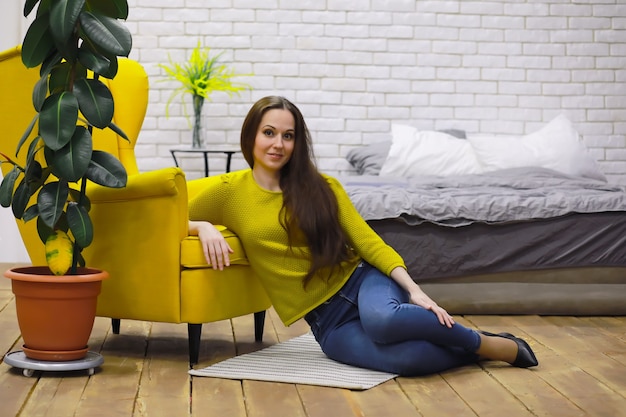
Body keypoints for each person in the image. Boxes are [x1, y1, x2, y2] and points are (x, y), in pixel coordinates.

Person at [188, 96, 538, 376]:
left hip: (362, 282)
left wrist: (415, 291)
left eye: (288, 135)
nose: (278, 143)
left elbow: (368, 242)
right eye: (269, 132)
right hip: (327, 324)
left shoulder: (322, 188)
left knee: (383, 320)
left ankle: (486, 344)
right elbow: (168, 213)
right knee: (411, 360)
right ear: (250, 135)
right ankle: (471, 353)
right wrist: (201, 226)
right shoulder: (228, 192)